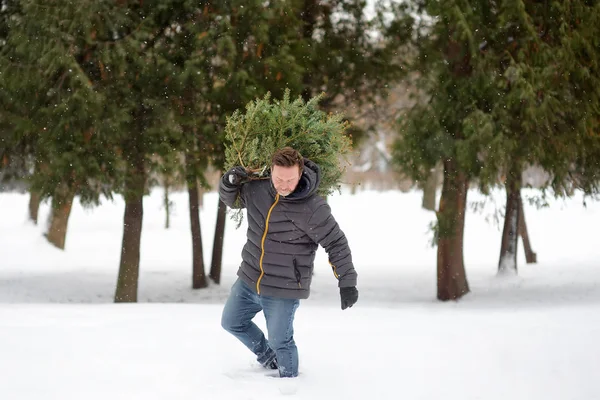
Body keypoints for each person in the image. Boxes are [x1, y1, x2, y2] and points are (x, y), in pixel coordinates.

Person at [219, 147, 359, 378]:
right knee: (231, 322)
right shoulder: (257, 189)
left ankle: (290, 384)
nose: (283, 185)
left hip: (284, 287)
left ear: (300, 173)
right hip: (249, 277)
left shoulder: (313, 208)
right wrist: (229, 181)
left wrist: (347, 281)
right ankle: (268, 359)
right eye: (278, 178)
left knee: (280, 341)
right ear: (271, 171)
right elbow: (232, 201)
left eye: (290, 180)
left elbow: (336, 243)